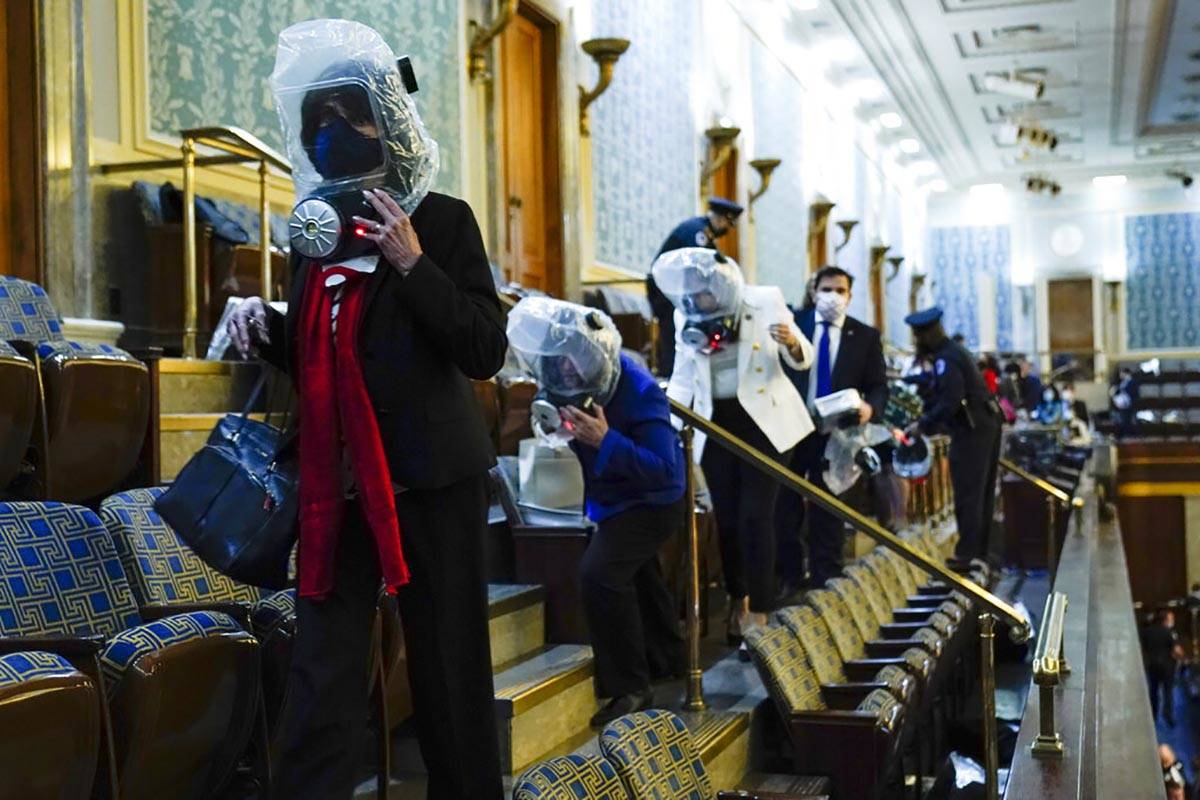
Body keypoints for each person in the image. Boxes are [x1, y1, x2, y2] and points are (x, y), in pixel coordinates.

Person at [229, 21, 505, 799]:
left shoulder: (442, 219)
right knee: (322, 670)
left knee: (448, 670)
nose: (329, 136)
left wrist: (413, 263)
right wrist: (268, 330)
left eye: (346, 119)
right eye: (316, 123)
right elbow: (326, 354)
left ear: (385, 121)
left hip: (429, 479)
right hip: (337, 485)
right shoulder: (313, 234)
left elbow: (483, 348)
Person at [507, 297, 687, 728]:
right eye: (559, 363)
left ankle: (630, 688)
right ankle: (667, 658)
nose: (565, 372)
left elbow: (665, 472)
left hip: (652, 501)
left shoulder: (639, 389)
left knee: (600, 574)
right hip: (610, 497)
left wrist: (606, 440)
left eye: (573, 363)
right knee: (639, 576)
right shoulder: (561, 375)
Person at [655, 247, 814, 642]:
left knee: (756, 515)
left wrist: (792, 342)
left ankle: (759, 613)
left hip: (766, 423)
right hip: (718, 424)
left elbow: (803, 357)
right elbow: (682, 375)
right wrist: (670, 426)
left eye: (705, 292)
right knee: (726, 519)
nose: (699, 299)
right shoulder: (684, 314)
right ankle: (737, 599)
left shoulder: (763, 299)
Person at [776, 265, 887, 590]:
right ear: (814, 292)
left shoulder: (864, 336)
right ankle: (790, 578)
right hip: (793, 427)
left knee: (830, 507)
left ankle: (827, 581)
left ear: (850, 297)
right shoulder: (794, 325)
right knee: (785, 506)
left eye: (840, 291)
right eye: (827, 289)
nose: (833, 296)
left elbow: (879, 386)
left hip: (838, 433)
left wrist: (870, 408)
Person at [904, 307, 1003, 561]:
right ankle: (978, 552)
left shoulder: (945, 358)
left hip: (972, 430)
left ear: (924, 335)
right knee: (981, 490)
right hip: (984, 423)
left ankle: (968, 555)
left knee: (968, 490)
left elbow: (951, 399)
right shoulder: (954, 353)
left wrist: (923, 424)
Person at [646, 197, 744, 376]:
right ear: (720, 219)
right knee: (674, 336)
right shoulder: (697, 233)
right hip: (667, 294)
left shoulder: (702, 233)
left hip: (672, 291)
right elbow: (698, 272)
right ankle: (671, 379)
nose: (727, 230)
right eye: (727, 224)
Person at [1145, 609, 1185, 727]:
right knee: (1168, 692)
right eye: (1171, 619)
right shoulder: (1169, 632)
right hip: (1167, 666)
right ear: (1165, 620)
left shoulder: (1147, 632)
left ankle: (1153, 715)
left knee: (1154, 691)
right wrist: (1183, 658)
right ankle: (1168, 716)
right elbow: (1176, 650)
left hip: (1152, 665)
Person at [1111, 366, 1138, 438]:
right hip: (1122, 404)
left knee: (1129, 421)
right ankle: (1123, 435)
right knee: (1123, 420)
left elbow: (1133, 394)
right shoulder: (1122, 382)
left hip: (1129, 405)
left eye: (1121, 373)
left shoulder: (1132, 382)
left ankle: (1129, 435)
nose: (1120, 375)